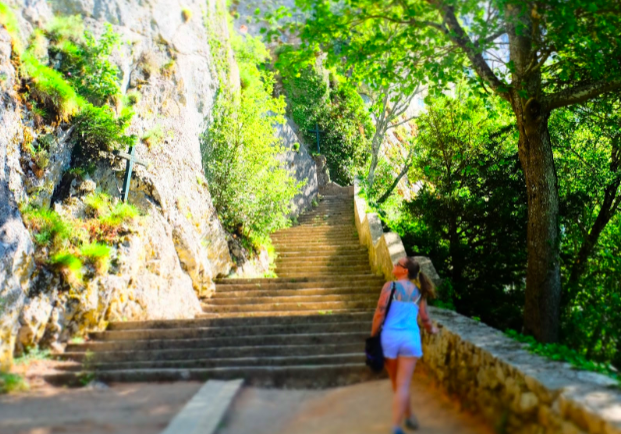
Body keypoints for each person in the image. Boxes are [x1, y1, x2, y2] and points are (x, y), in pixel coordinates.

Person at [371, 256, 439, 434]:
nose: (394, 265)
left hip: (390, 338)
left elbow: (379, 313)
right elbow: (425, 318)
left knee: (397, 384)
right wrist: (432, 330)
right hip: (410, 338)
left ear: (405, 271)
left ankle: (395, 426)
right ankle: (408, 416)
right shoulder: (418, 292)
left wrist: (373, 336)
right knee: (402, 385)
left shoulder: (390, 287)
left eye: (397, 264)